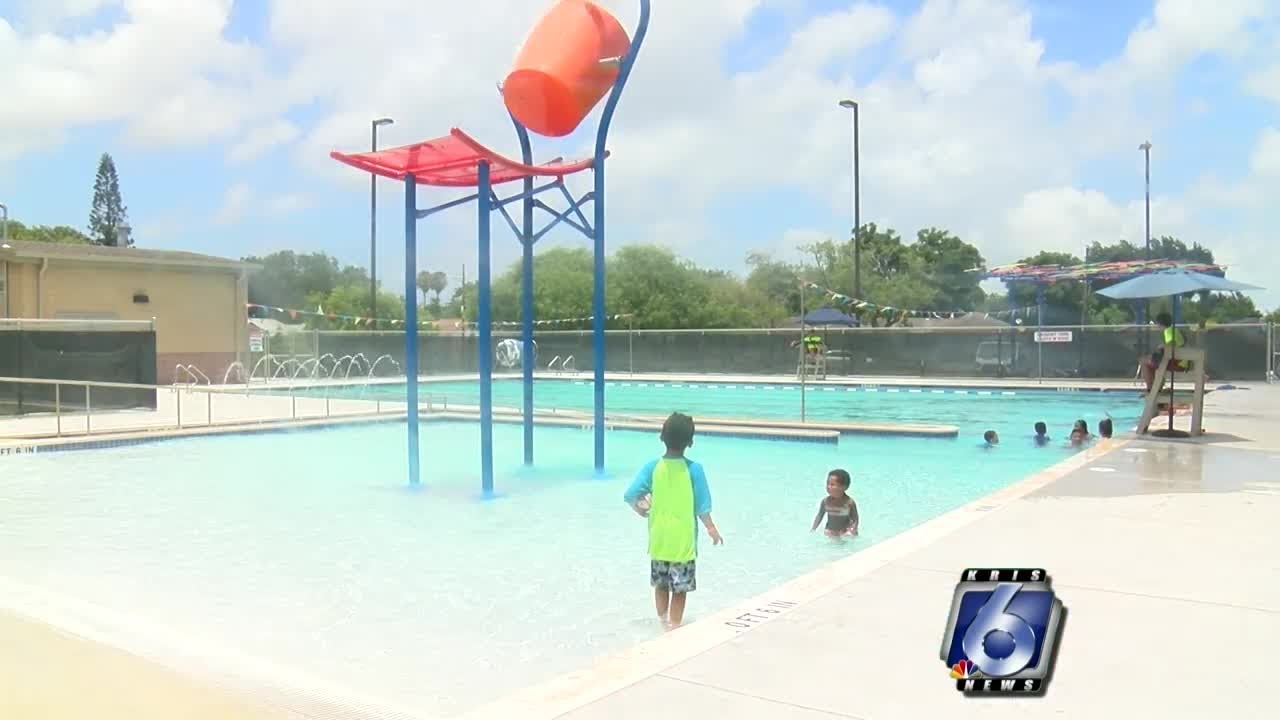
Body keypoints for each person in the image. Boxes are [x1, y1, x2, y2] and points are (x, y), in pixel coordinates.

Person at [623, 412, 723, 630]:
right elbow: (702, 506)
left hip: (659, 540)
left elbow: (630, 494)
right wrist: (711, 528)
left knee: (661, 586)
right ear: (690, 441)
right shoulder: (694, 470)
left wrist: (641, 509)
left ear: (662, 437)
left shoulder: (652, 467)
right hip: (683, 543)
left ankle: (662, 622)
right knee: (680, 590)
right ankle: (674, 627)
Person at [1142, 312, 1189, 391]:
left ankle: (1151, 389)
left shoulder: (1168, 331)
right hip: (1181, 362)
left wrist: (1162, 346)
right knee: (1152, 362)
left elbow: (1172, 344)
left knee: (1143, 361)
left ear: (1159, 323)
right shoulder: (1174, 330)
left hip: (1177, 364)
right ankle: (1156, 388)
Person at [811, 469, 859, 537]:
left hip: (845, 531)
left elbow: (855, 519)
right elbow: (819, 516)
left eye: (832, 484)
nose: (828, 486)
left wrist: (852, 530)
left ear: (844, 487)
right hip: (830, 530)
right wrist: (813, 529)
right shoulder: (825, 501)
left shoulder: (849, 502)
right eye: (827, 483)